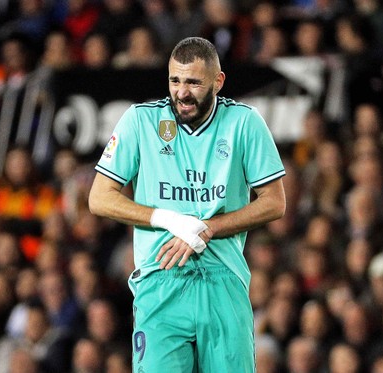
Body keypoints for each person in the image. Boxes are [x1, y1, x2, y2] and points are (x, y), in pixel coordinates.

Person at [88, 37, 286, 372]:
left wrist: (209, 228)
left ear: (218, 82)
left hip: (223, 278)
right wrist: (166, 218)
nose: (181, 92)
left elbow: (275, 202)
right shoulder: (141, 121)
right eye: (175, 80)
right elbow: (99, 197)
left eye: (193, 82)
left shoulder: (244, 123)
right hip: (160, 278)